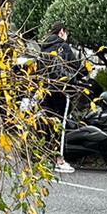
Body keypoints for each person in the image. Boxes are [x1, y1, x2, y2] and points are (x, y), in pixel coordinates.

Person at [40, 24, 78, 174]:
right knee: (60, 125)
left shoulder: (43, 47)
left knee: (47, 123)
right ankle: (59, 159)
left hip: (45, 90)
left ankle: (44, 157)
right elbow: (76, 66)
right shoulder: (63, 46)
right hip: (61, 90)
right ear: (61, 32)